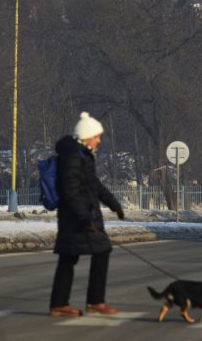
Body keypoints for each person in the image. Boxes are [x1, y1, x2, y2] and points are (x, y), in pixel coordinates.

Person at [49, 111, 125, 317]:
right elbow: (71, 191)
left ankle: (60, 303)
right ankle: (94, 301)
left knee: (70, 258)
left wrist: (114, 204)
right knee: (99, 252)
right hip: (77, 218)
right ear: (86, 136)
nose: (99, 140)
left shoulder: (81, 154)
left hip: (77, 217)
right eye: (97, 136)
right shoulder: (74, 156)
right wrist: (85, 218)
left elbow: (94, 185)